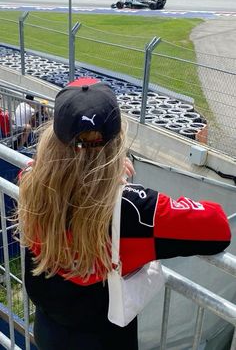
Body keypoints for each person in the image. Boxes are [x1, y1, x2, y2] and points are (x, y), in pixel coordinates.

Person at [17, 77, 231, 350]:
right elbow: (218, 227)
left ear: (52, 140)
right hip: (105, 340)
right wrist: (115, 183)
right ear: (116, 144)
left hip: (49, 332)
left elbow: (54, 170)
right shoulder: (133, 209)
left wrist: (99, 176)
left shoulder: (32, 182)